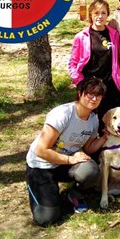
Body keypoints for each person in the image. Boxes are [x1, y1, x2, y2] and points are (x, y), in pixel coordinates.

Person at [26, 77, 107, 226]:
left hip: (64, 163)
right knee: (46, 219)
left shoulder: (93, 119)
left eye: (99, 95)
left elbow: (89, 148)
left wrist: (105, 137)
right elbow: (41, 150)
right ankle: (37, 186)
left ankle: (75, 194)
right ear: (80, 93)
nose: (94, 98)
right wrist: (70, 160)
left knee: (91, 171)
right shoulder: (63, 113)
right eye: (90, 94)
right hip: (41, 165)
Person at [68, 0, 120, 131]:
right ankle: (88, 147)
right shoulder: (81, 36)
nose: (100, 16)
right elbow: (73, 62)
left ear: (107, 15)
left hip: (110, 84)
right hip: (90, 85)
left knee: (107, 121)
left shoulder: (114, 34)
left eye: (103, 13)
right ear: (90, 15)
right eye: (96, 13)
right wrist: (79, 82)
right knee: (88, 120)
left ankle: (106, 149)